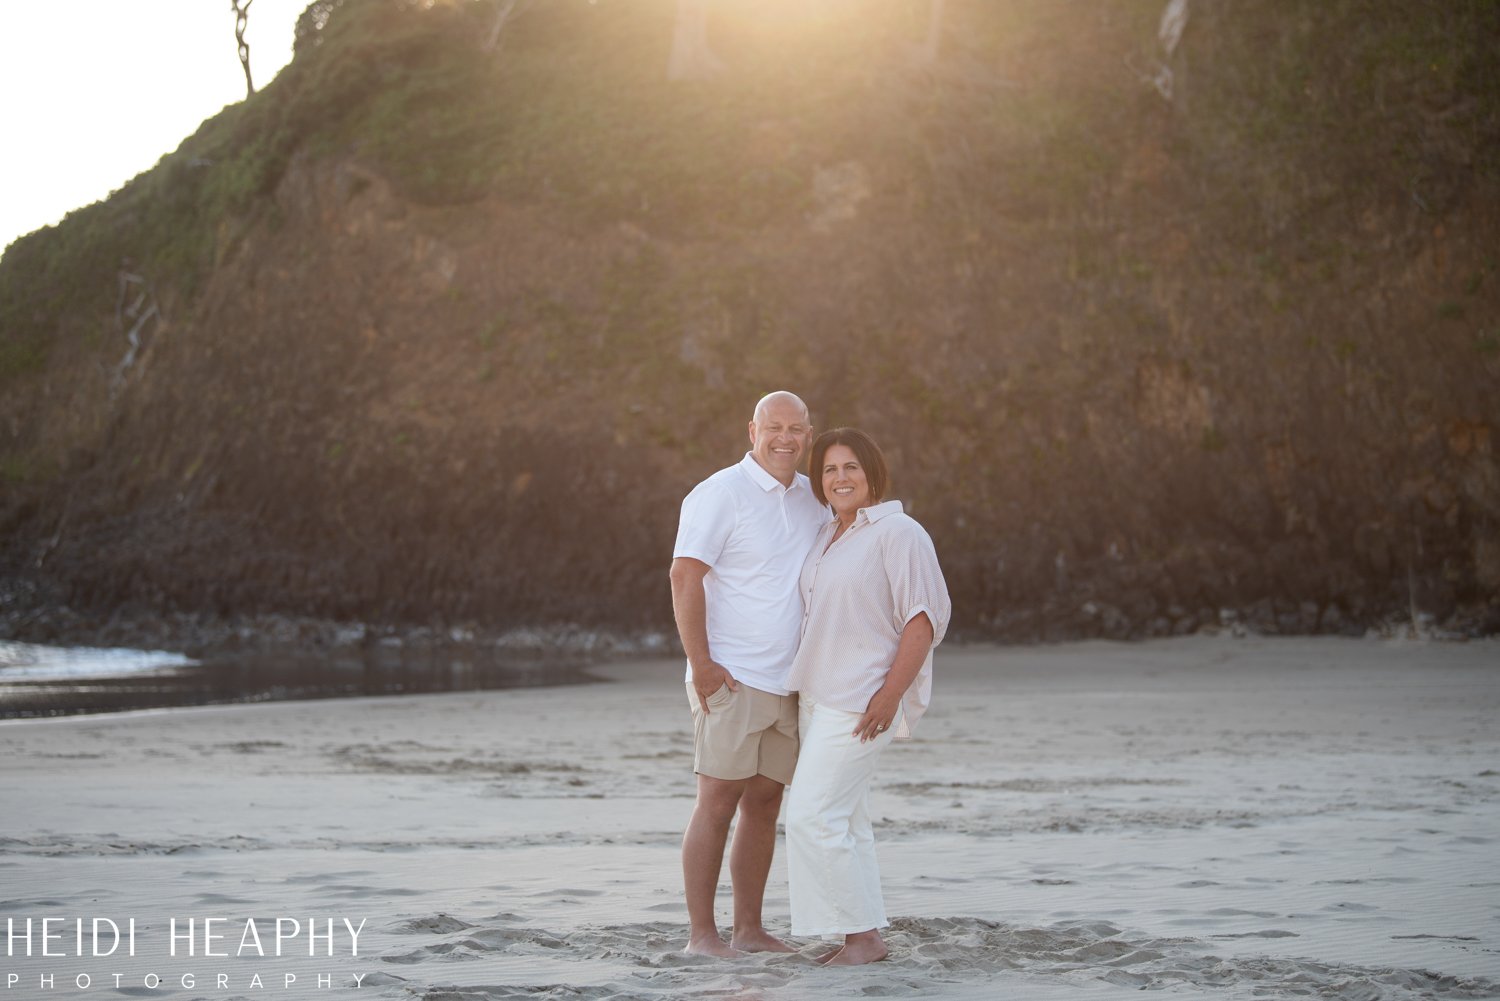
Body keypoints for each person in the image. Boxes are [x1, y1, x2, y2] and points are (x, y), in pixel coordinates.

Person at [784, 427, 951, 966]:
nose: (839, 478)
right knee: (849, 820)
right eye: (829, 470)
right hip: (817, 695)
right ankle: (862, 932)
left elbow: (924, 620)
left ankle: (863, 940)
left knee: (813, 815)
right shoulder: (829, 534)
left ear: (872, 472)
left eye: (850, 467)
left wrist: (889, 695)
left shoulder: (899, 532)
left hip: (862, 698)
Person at [669, 391, 827, 956]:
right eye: (774, 426)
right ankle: (702, 936)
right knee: (717, 801)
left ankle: (750, 931)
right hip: (731, 678)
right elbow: (684, 577)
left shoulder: (814, 497)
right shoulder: (719, 494)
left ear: (809, 433)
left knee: (764, 804)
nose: (785, 438)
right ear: (752, 431)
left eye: (796, 428)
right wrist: (704, 665)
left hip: (790, 682)